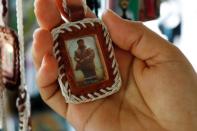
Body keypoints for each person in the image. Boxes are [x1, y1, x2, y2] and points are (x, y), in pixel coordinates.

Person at [33, 0, 197, 131]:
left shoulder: (91, 43)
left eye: (83, 43)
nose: (82, 45)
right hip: (84, 72)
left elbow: (88, 54)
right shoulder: (73, 46)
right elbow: (76, 56)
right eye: (80, 43)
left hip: (93, 69)